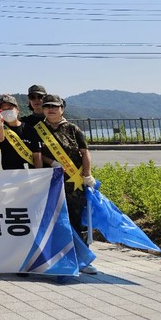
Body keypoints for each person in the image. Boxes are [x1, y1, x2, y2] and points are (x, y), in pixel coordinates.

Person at [34, 94, 97, 273]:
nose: (51, 110)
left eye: (55, 106)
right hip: (52, 182)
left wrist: (87, 174)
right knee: (55, 222)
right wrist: (51, 162)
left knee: (77, 221)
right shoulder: (38, 129)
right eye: (47, 107)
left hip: (74, 183)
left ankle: (82, 260)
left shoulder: (72, 128)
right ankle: (58, 259)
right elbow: (36, 153)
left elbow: (85, 152)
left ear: (62, 109)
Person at [0, 94, 42, 170]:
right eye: (3, 109)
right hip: (9, 173)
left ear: (17, 110)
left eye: (10, 108)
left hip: (29, 172)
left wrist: (39, 173)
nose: (7, 111)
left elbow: (37, 155)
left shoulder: (29, 129)